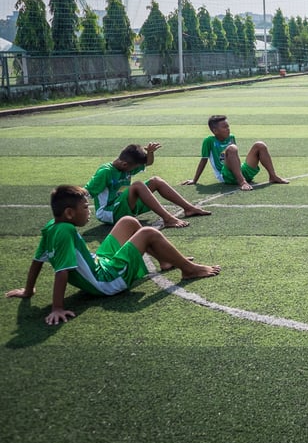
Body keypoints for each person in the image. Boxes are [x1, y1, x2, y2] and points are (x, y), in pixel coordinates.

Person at [5, 185, 220, 325]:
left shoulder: (51, 227)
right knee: (148, 232)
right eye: (85, 207)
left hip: (99, 263)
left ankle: (165, 260)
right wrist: (57, 308)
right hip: (106, 281)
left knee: (128, 221)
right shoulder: (66, 231)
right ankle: (189, 270)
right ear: (70, 213)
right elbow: (61, 271)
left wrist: (29, 289)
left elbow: (37, 261)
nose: (89, 211)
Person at [85, 143, 210, 229]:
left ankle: (189, 208)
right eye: (135, 167)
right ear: (124, 164)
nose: (136, 169)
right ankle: (168, 218)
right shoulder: (105, 172)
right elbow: (87, 191)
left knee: (155, 180)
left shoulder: (126, 167)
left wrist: (150, 152)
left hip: (124, 206)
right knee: (138, 185)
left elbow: (148, 162)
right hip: (109, 212)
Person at [182, 115, 289, 191]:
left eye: (228, 126)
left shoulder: (231, 137)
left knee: (260, 145)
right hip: (225, 175)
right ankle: (242, 182)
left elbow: (234, 156)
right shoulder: (209, 141)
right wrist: (195, 180)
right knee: (232, 148)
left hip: (239, 170)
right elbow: (203, 160)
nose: (228, 129)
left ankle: (273, 176)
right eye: (224, 127)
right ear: (215, 131)